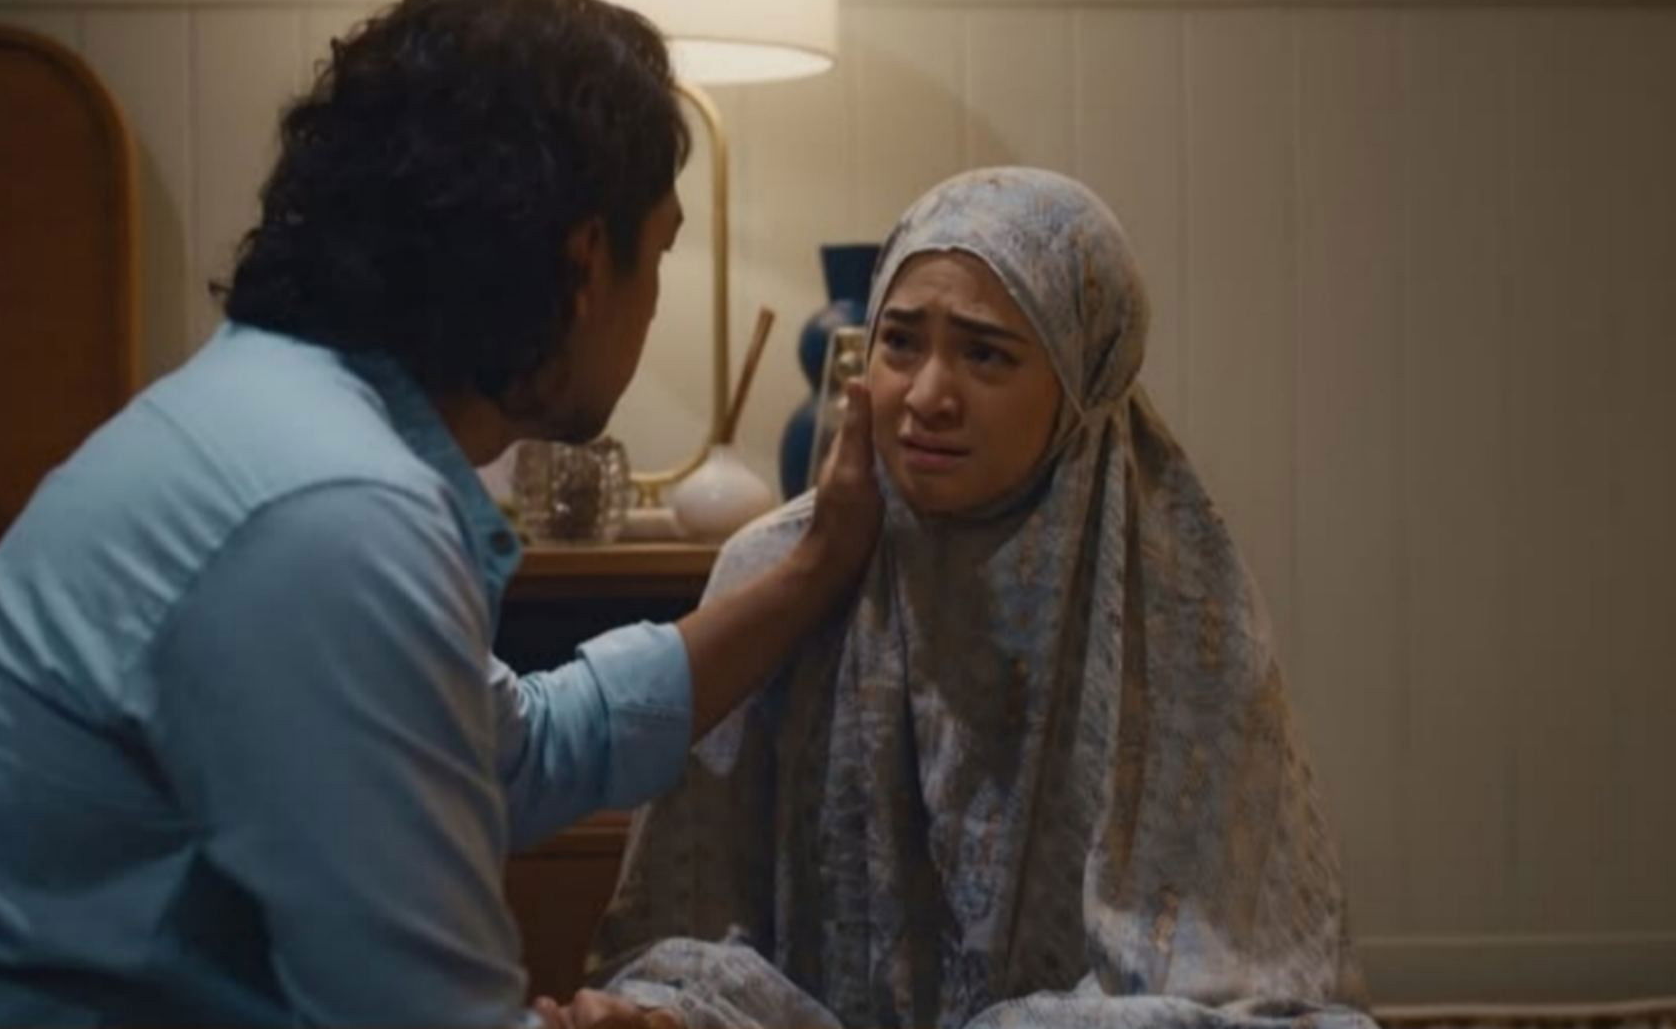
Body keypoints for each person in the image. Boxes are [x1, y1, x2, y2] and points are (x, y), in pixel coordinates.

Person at [0, 0, 881, 1029]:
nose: (651, 298)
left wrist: (813, 565)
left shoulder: (280, 418)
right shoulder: (334, 515)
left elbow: (522, 754)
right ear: (581, 264)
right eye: (656, 251)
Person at [588, 168, 1376, 1029]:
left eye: (985, 354)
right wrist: (663, 1014)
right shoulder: (776, 573)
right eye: (899, 343)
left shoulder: (1178, 615)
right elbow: (683, 929)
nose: (928, 396)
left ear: (1082, 378)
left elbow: (1241, 982)